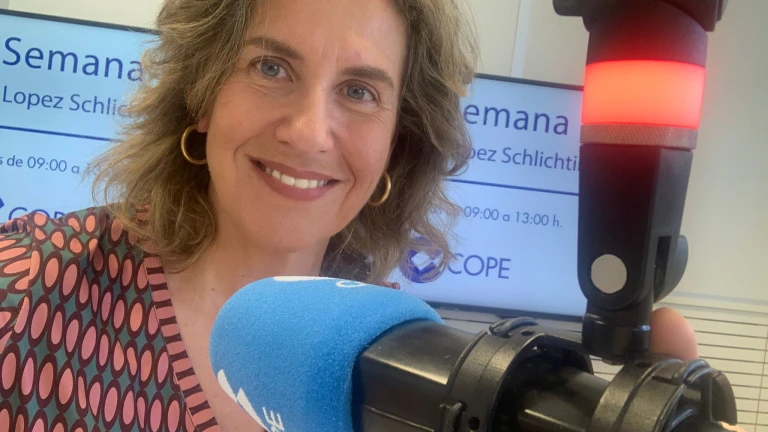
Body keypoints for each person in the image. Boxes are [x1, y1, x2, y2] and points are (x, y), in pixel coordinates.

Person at [0, 0, 702, 430]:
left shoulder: (409, 358)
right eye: (271, 67)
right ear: (203, 94)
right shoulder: (25, 289)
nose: (310, 133)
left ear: (398, 140)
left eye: (360, 91)